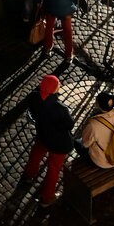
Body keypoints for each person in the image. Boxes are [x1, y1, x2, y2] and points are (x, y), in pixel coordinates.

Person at [22, 74, 74, 206]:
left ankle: (28, 175)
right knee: (54, 168)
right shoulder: (61, 109)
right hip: (58, 142)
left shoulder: (34, 97)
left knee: (36, 153)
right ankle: (47, 196)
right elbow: (69, 124)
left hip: (42, 134)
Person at [80, 90, 114, 168]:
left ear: (98, 105)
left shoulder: (93, 124)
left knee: (77, 143)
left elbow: (86, 143)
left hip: (103, 162)